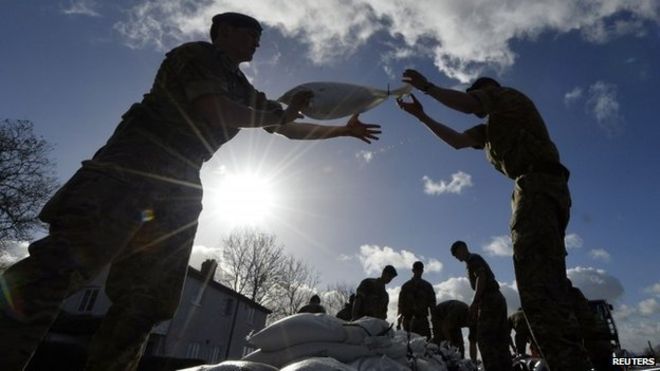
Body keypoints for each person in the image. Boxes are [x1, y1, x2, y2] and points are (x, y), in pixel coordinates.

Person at [0, 12, 382, 371]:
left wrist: (341, 131)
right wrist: (281, 114)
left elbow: (286, 128)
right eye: (249, 33)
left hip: (180, 185)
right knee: (55, 271)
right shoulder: (196, 56)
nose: (256, 42)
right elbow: (214, 110)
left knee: (147, 301)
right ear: (224, 32)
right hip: (132, 166)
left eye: (259, 37)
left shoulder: (242, 88)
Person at [397, 69, 592, 371]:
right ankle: (582, 354)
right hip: (539, 187)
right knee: (550, 281)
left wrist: (426, 87)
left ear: (487, 92)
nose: (479, 106)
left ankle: (569, 363)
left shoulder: (506, 97)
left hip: (538, 184)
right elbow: (458, 141)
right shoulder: (491, 130)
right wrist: (422, 117)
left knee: (539, 290)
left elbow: (467, 103)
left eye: (479, 99)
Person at [450, 241, 512, 371]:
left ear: (462, 248)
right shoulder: (472, 261)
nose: (457, 258)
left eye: (457, 254)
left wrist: (475, 302)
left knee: (485, 339)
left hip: (489, 300)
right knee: (500, 339)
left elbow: (481, 277)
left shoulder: (473, 259)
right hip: (497, 298)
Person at [397, 261, 436, 339]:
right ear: (413, 270)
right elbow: (400, 304)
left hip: (422, 320)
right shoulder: (406, 286)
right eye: (416, 269)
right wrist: (399, 321)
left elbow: (432, 304)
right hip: (408, 320)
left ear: (422, 271)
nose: (418, 271)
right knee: (408, 345)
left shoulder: (427, 286)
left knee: (425, 344)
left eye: (420, 270)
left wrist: (434, 321)